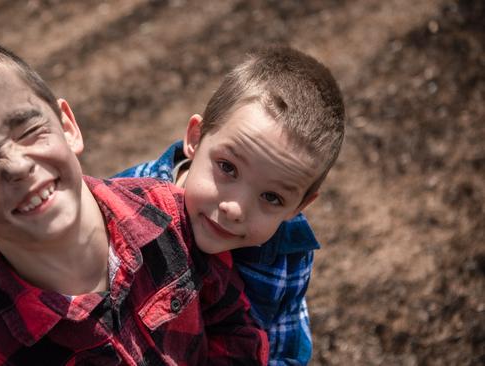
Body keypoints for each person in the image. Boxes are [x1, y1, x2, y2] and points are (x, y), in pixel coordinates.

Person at [0, 36, 268, 365]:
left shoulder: (171, 215)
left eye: (28, 129)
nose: (16, 165)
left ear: (67, 127)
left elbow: (233, 326)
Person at [115, 46, 345, 365]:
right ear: (195, 138)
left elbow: (284, 340)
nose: (235, 208)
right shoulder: (125, 206)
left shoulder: (287, 253)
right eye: (227, 167)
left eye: (272, 197)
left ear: (299, 206)